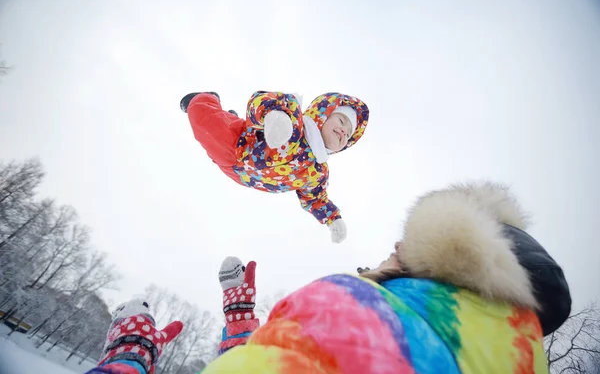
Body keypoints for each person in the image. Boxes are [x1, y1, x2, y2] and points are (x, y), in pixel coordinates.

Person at [86, 181, 570, 374]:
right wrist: (240, 324)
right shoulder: (512, 359)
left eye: (407, 241)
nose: (396, 246)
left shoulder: (353, 305)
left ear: (440, 251)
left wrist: (129, 356)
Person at [180, 91, 369, 243]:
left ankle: (229, 116)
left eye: (349, 134)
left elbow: (315, 199)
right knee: (202, 117)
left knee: (218, 126)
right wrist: (277, 116)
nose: (344, 131)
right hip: (237, 147)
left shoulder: (318, 173)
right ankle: (207, 98)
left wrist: (333, 219)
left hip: (243, 177)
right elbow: (258, 100)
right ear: (324, 114)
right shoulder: (295, 118)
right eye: (342, 121)